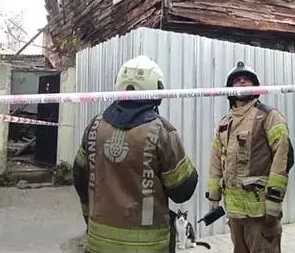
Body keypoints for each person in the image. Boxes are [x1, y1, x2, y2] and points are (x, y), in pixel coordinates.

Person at [72, 55, 199, 253]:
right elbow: (182, 189)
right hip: (148, 246)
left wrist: (90, 216)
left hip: (99, 242)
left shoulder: (95, 126)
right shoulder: (161, 131)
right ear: (156, 90)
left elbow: (79, 176)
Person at [206, 61, 293, 253]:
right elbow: (215, 159)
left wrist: (273, 201)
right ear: (230, 90)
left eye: (247, 80)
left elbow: (282, 158)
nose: (243, 82)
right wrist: (214, 195)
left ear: (256, 87)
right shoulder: (224, 122)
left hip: (260, 212)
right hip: (235, 213)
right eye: (237, 80)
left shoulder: (269, 116)